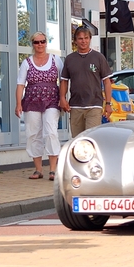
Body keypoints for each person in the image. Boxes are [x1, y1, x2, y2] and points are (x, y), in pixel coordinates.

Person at [15, 32, 64, 181]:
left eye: (42, 41)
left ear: (46, 43)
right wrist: (18, 104)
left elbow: (63, 81)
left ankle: (53, 169)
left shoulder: (56, 60)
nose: (40, 45)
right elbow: (20, 84)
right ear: (33, 44)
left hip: (52, 100)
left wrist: (63, 98)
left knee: (50, 131)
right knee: (33, 133)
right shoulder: (27, 62)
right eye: (36, 42)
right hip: (32, 100)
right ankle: (38, 169)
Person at [59, 27, 113, 138]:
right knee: (77, 140)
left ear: (90, 39)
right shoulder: (70, 59)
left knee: (91, 138)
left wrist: (108, 103)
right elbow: (64, 81)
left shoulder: (98, 57)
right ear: (75, 41)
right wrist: (62, 99)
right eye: (80, 38)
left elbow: (107, 82)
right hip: (75, 106)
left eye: (86, 38)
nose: (83, 41)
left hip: (94, 105)